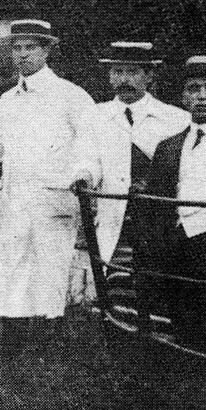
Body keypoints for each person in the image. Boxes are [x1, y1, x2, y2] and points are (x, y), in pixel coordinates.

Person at [0, 18, 95, 343]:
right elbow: (0, 152)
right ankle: (12, 339)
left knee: (50, 270)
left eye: (30, 48)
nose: (22, 55)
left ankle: (47, 342)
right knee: (12, 267)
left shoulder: (71, 97)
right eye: (17, 48)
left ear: (47, 50)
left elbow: (89, 151)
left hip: (52, 203)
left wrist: (83, 175)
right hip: (15, 202)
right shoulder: (7, 100)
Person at [76, 41, 188, 270]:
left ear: (149, 76)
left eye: (132, 72)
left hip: (158, 221)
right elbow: (87, 159)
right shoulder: (94, 116)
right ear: (109, 76)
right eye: (118, 71)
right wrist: (84, 176)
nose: (124, 79)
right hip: (115, 217)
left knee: (156, 283)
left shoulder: (175, 119)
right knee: (114, 284)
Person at [134, 55, 206, 350]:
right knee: (183, 319)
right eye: (195, 89)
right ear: (184, 97)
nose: (203, 96)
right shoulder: (169, 145)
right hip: (178, 244)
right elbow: (158, 202)